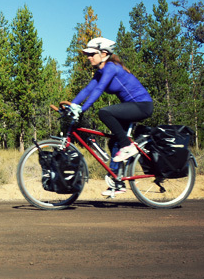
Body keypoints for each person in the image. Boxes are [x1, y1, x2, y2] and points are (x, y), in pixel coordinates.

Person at [65, 37, 153, 197]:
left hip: (142, 105)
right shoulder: (100, 71)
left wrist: (82, 109)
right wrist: (72, 105)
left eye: (92, 54)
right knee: (113, 141)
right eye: (87, 54)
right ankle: (118, 182)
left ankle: (128, 146)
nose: (88, 57)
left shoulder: (111, 67)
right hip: (131, 106)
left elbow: (99, 89)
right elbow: (87, 90)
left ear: (104, 54)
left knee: (104, 112)